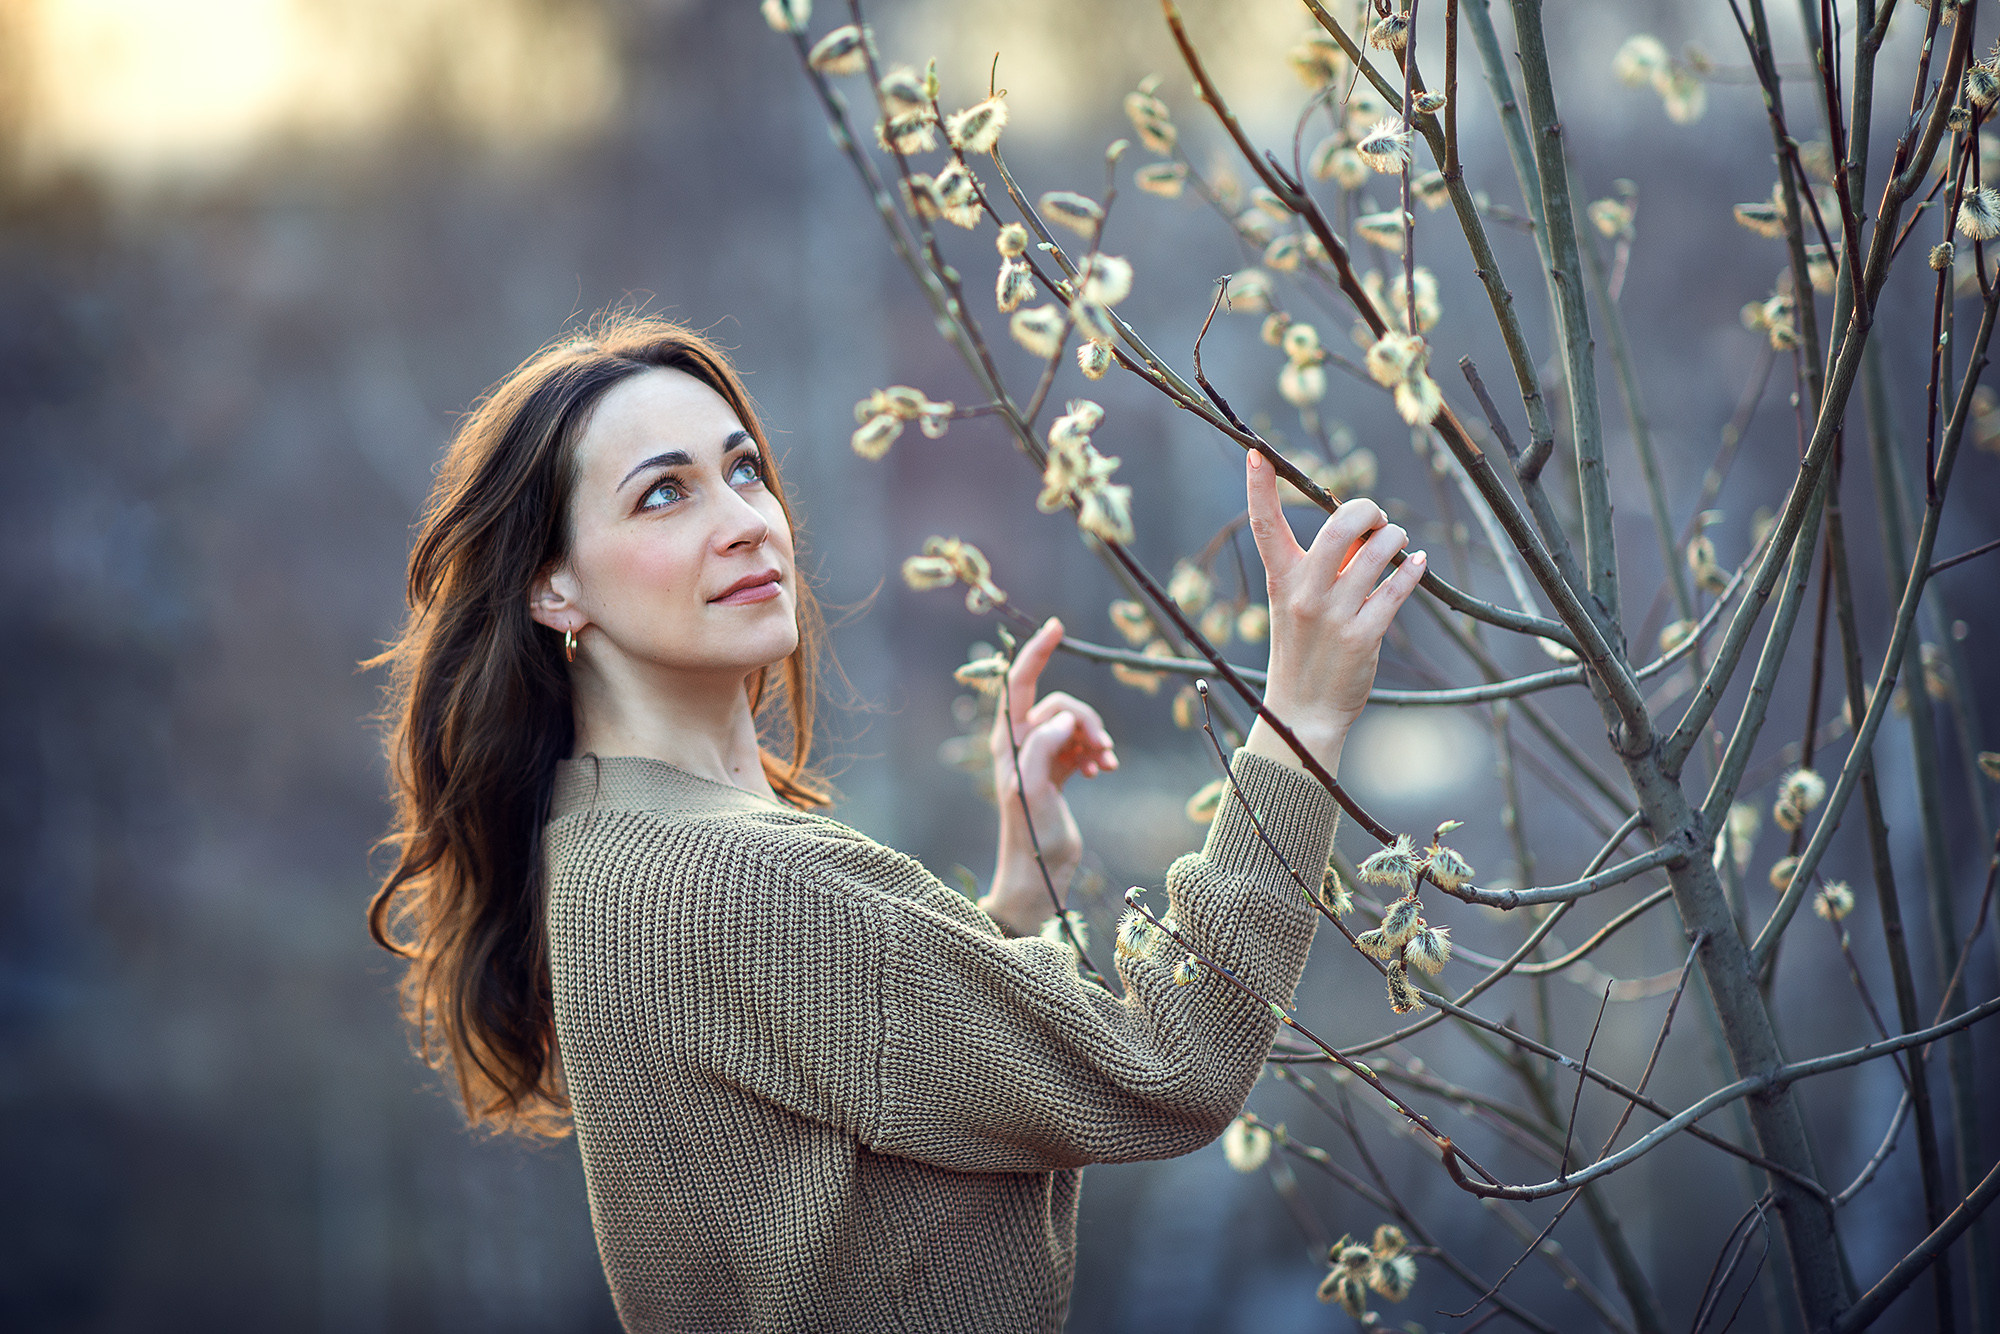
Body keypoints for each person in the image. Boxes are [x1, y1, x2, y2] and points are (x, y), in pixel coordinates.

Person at [370, 313, 1424, 1332]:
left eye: (743, 470)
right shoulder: (737, 880)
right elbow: (1166, 1065)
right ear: (554, 586)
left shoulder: (603, 842)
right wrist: (1300, 719)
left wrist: (1017, 896)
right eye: (662, 495)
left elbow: (882, 1159)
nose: (744, 518)